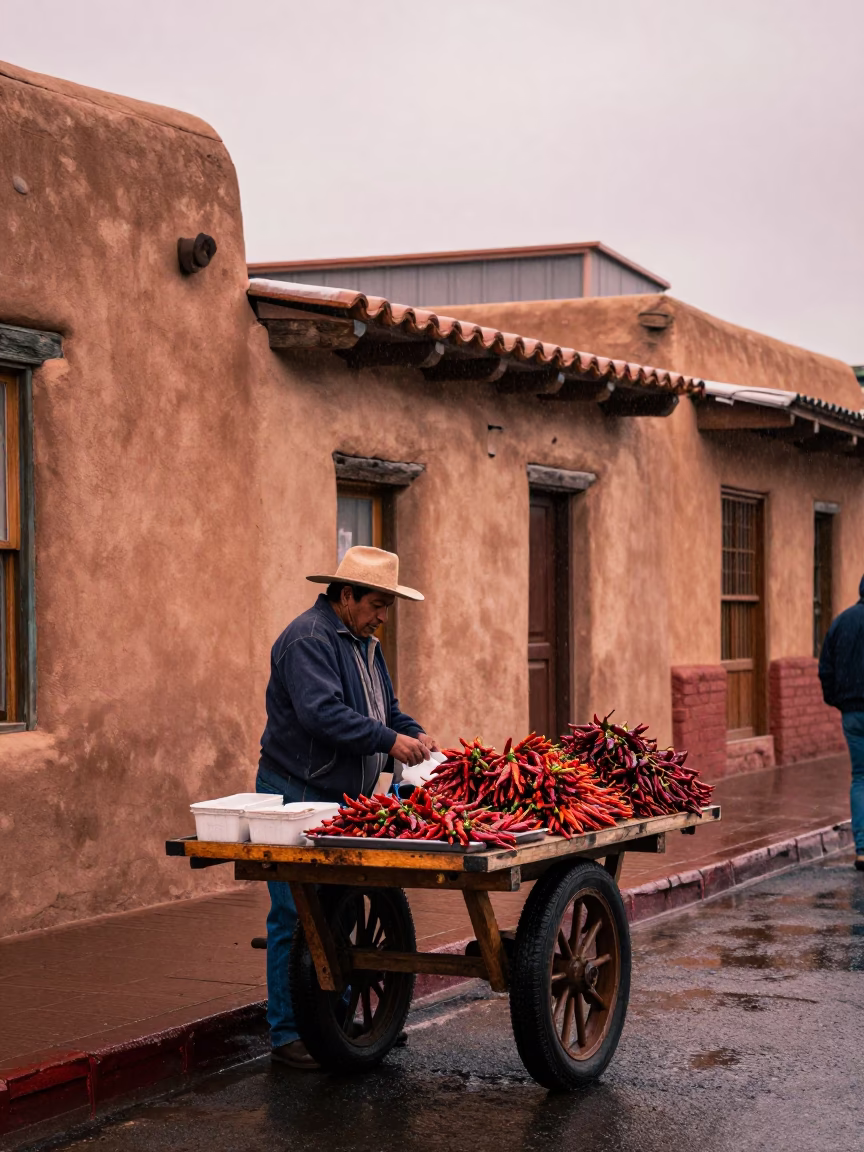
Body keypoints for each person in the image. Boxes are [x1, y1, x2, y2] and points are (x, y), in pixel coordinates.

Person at [256, 546, 437, 1068]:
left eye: (388, 607)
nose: (382, 616)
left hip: (342, 797)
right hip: (296, 791)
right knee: (295, 914)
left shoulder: (366, 645)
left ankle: (333, 1021)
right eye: (376, 604)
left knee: (336, 910)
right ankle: (289, 1033)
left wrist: (411, 732)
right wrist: (387, 741)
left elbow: (389, 710)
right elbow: (321, 715)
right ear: (345, 595)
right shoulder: (308, 639)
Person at [818, 574, 864, 873]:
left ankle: (862, 849)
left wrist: (838, 700)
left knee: (860, 777)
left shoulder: (842, 621)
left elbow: (826, 668)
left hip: (852, 713)